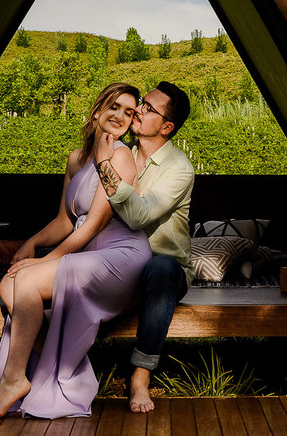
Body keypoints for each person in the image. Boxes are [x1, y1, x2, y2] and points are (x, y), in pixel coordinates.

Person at [0, 82, 151, 419]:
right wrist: (31, 243)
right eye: (114, 106)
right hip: (88, 255)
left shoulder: (119, 156)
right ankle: (24, 360)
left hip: (121, 256)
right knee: (8, 282)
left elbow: (92, 226)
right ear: (97, 109)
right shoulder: (76, 159)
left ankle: (12, 374)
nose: (120, 116)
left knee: (26, 280)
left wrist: (42, 262)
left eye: (129, 112)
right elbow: (65, 220)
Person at [93, 81, 194, 413]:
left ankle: (140, 376)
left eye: (149, 108)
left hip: (165, 268)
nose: (138, 109)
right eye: (141, 103)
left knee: (161, 268)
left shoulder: (179, 168)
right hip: (121, 263)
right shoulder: (122, 152)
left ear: (166, 127)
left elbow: (139, 216)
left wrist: (103, 165)